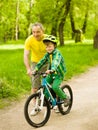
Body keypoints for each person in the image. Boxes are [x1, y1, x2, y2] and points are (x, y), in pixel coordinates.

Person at [31, 35, 70, 115]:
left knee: (55, 87)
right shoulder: (47, 54)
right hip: (51, 74)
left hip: (58, 74)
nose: (48, 48)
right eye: (46, 47)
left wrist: (52, 69)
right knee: (44, 87)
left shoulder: (57, 53)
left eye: (50, 46)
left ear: (54, 46)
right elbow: (42, 61)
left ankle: (65, 97)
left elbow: (56, 61)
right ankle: (51, 101)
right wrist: (36, 69)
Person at [24, 22, 48, 95]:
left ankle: (58, 98)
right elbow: (26, 55)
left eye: (38, 32)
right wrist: (28, 69)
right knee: (35, 86)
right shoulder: (29, 40)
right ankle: (35, 105)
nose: (35, 34)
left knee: (51, 83)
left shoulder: (48, 39)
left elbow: (55, 53)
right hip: (35, 63)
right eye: (33, 32)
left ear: (42, 31)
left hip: (48, 62)